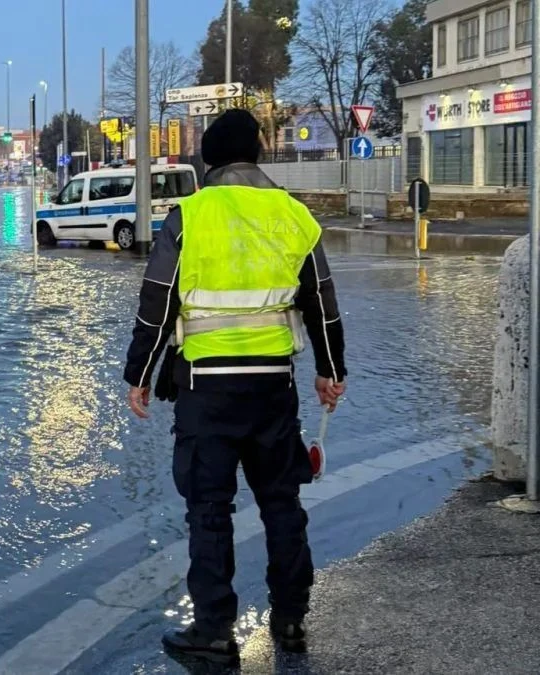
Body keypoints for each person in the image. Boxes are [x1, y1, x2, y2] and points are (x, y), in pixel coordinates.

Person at [123, 109, 347, 665]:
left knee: (208, 509)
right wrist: (330, 370)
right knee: (282, 503)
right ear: (259, 156)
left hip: (206, 391)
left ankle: (215, 631)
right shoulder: (294, 216)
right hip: (274, 388)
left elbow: (158, 302)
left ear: (209, 160)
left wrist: (139, 374)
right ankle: (291, 619)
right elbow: (322, 302)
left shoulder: (190, 216)